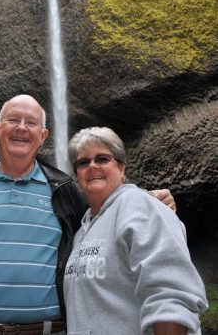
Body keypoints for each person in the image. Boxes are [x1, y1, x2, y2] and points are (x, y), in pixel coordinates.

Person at [0, 95, 176, 335]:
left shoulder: (65, 191)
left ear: (43, 136)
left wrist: (146, 200)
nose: (22, 128)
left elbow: (104, 220)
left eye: (31, 123)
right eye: (13, 120)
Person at [64, 126, 208, 335]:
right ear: (77, 174)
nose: (92, 166)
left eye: (102, 159)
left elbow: (171, 294)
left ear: (121, 168)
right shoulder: (80, 232)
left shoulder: (139, 205)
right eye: (83, 162)